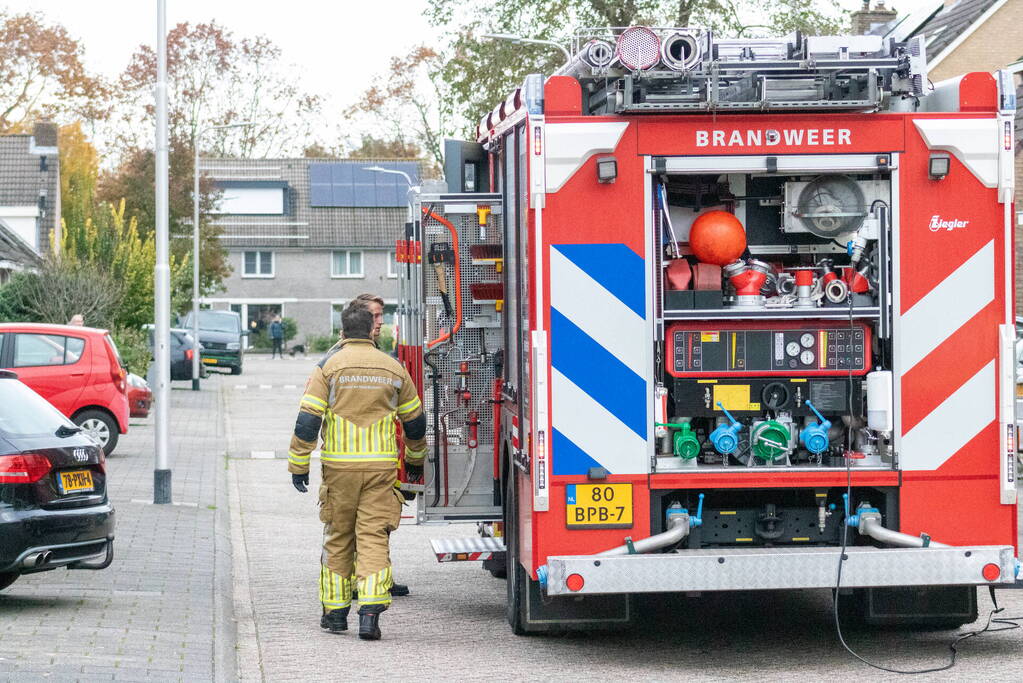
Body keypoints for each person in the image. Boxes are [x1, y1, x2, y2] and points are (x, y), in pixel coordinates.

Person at [288, 301, 427, 640]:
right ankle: (369, 616)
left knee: (338, 538)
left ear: (343, 331)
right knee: (373, 538)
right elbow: (415, 421)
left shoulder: (328, 367)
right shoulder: (393, 368)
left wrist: (299, 464)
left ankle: (335, 616)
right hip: (380, 470)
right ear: (370, 330)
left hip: (339, 471)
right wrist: (415, 459)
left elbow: (308, 421)